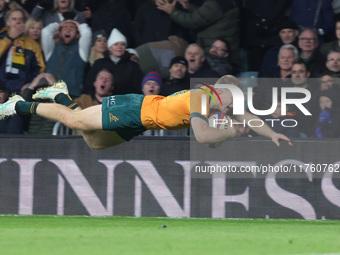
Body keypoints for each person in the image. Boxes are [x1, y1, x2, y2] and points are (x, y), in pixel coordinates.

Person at [0, 75, 292, 149]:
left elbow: (248, 118)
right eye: (234, 102)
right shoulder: (202, 99)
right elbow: (203, 137)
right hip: (135, 108)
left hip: (141, 122)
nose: (234, 110)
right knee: (73, 119)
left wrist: (272, 134)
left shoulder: (217, 99)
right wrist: (231, 131)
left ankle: (60, 93)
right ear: (225, 92)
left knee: (92, 141)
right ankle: (17, 104)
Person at [156, 0, 240, 70]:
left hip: (216, 57)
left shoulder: (217, 3)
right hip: (219, 56)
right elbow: (204, 14)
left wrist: (173, 12)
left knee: (205, 85)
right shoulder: (224, 2)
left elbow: (193, 21)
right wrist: (188, 6)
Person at [83, 28, 143, 95]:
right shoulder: (99, 64)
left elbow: (137, 89)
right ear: (110, 47)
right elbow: (88, 86)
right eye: (116, 44)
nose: (119, 47)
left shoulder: (133, 66)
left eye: (122, 44)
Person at [0, 8, 45, 95]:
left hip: (21, 90)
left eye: (21, 19)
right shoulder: (1, 38)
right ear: (7, 22)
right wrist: (10, 38)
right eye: (14, 19)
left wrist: (31, 83)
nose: (18, 22)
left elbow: (40, 67)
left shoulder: (32, 43)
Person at [42, 19, 92, 98]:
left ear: (77, 34)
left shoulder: (81, 51)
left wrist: (78, 25)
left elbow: (87, 32)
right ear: (60, 33)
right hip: (50, 94)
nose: (68, 30)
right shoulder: (51, 49)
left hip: (71, 95)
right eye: (65, 28)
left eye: (72, 28)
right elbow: (45, 32)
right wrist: (58, 25)